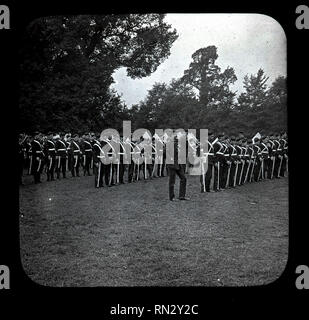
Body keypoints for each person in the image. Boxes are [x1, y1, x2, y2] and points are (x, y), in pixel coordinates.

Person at [166, 133, 188, 201]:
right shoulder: (169, 144)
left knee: (183, 178)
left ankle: (182, 196)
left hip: (178, 164)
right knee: (172, 181)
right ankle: (171, 197)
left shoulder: (179, 144)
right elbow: (166, 153)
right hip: (172, 165)